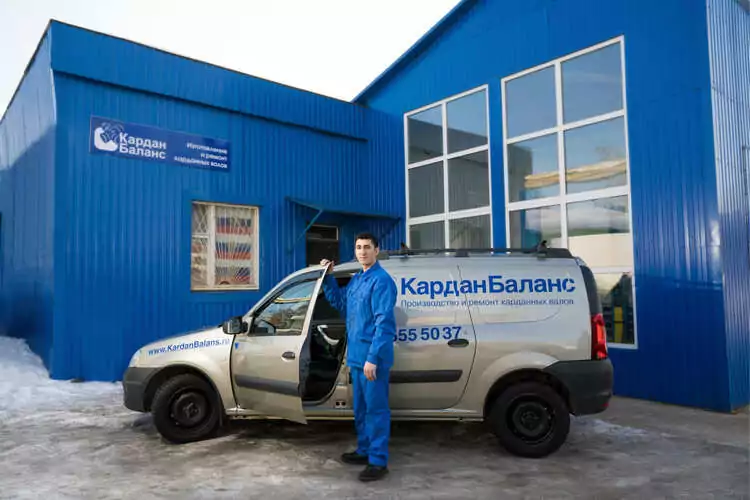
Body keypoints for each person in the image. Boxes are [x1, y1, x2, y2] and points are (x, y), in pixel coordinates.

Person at [320, 232, 397, 482]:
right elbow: (341, 304)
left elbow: (384, 324)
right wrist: (328, 277)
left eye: (367, 247)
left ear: (376, 250)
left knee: (376, 410)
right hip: (356, 357)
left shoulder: (381, 281)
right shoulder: (357, 280)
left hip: (372, 360)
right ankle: (364, 450)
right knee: (361, 409)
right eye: (358, 247)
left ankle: (378, 461)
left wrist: (373, 358)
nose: (362, 251)